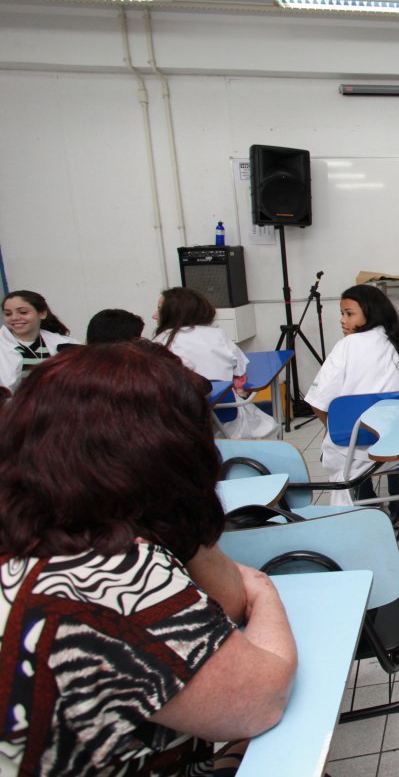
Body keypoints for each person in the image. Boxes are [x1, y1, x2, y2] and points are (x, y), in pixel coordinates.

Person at [0, 341, 296, 774]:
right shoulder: (107, 573)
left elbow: (224, 600)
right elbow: (260, 700)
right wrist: (264, 590)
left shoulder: (37, 536)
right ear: (168, 450)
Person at [305, 284, 399, 504]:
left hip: (350, 446)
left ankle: (366, 497)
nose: (343, 320)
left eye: (349, 314)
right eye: (342, 314)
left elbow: (317, 401)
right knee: (397, 437)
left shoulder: (345, 347)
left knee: (347, 444)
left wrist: (333, 428)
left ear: (371, 313)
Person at [153, 286, 276, 439]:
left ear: (174, 312)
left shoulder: (159, 344)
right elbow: (240, 370)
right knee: (269, 429)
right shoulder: (217, 335)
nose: (154, 316)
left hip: (183, 427)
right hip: (228, 420)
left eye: (159, 309)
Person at [1, 289, 78, 391]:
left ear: (42, 314)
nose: (14, 317)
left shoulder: (65, 343)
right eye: (8, 314)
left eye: (23, 312)